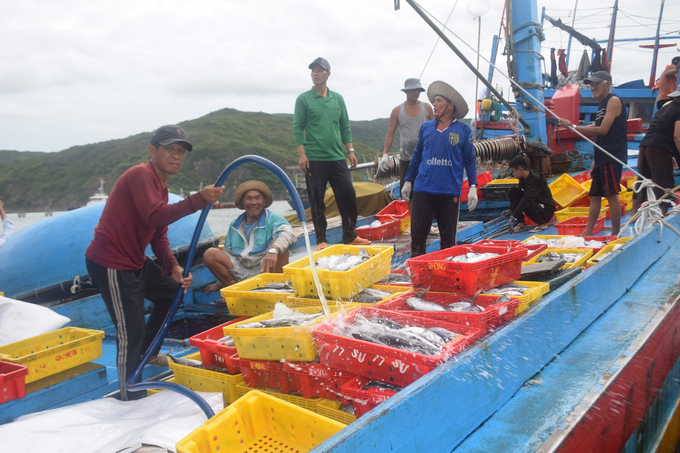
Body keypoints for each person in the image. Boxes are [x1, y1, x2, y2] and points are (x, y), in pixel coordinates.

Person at [85, 125, 224, 400]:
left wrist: (172, 266)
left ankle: (146, 354)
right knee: (130, 331)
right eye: (170, 149)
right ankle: (130, 396)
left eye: (180, 151)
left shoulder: (160, 187)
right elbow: (154, 217)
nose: (176, 156)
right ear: (152, 151)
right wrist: (198, 200)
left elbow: (158, 232)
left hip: (135, 261)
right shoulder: (140, 175)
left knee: (172, 292)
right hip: (111, 262)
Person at [293, 57, 371, 251]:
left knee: (348, 195)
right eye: (313, 70)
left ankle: (350, 235)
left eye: (320, 70)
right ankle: (321, 240)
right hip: (314, 159)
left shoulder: (338, 98)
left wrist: (350, 150)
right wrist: (302, 154)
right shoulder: (303, 99)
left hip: (337, 157)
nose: (315, 73)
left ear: (328, 73)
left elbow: (345, 125)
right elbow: (297, 127)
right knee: (317, 201)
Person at [402, 80, 478, 257]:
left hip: (449, 192)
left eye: (438, 101)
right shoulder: (426, 127)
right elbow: (417, 156)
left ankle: (446, 276)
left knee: (448, 243)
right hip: (423, 190)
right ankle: (418, 275)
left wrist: (473, 186)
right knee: (418, 240)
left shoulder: (463, 130)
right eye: (434, 101)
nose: (434, 105)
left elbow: (469, 159)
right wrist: (408, 180)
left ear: (450, 105)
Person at [560, 71, 627, 236]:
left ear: (608, 84)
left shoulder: (613, 101)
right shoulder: (602, 104)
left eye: (596, 83)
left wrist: (573, 127)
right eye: (591, 84)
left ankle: (615, 233)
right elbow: (599, 135)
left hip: (611, 155)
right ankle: (588, 231)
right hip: (601, 157)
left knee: (611, 194)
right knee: (595, 195)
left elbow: (603, 130)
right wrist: (595, 160)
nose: (592, 87)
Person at [202, 181, 296, 292]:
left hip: (266, 271)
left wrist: (274, 251)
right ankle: (235, 289)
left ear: (264, 201)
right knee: (210, 254)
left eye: (258, 198)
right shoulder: (235, 224)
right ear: (242, 201)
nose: (253, 202)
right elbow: (228, 253)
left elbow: (288, 233)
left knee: (282, 250)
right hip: (242, 271)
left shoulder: (274, 219)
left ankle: (276, 288)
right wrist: (220, 284)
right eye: (248, 198)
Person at [378, 78, 434, 205]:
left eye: (418, 90)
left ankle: (427, 222)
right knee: (408, 195)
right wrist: (385, 154)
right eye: (414, 90)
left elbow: (436, 128)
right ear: (406, 92)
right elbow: (390, 134)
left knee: (428, 193)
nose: (416, 92)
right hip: (407, 160)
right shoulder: (397, 111)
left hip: (426, 158)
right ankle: (413, 222)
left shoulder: (427, 108)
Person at [632, 89, 680, 216]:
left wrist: (672, 154)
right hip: (659, 147)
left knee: (642, 180)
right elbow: (677, 137)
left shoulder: (666, 107)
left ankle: (634, 214)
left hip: (645, 144)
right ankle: (662, 215)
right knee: (664, 182)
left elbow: (662, 128)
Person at [507, 155, 556, 232]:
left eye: (513, 171)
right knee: (513, 191)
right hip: (535, 205)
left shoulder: (536, 179)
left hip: (545, 211)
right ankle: (522, 223)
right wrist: (511, 209)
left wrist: (514, 215)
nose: (513, 174)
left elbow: (528, 198)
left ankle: (542, 224)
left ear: (520, 169)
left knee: (527, 201)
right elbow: (519, 195)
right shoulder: (523, 178)